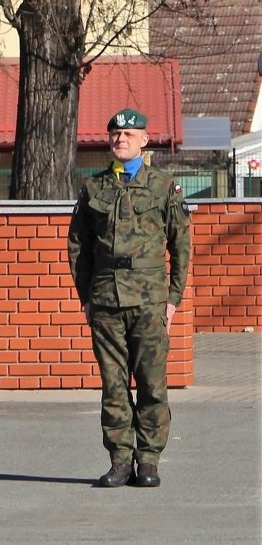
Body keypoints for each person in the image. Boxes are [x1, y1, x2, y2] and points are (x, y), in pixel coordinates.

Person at [67, 108, 191, 488]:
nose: (120, 139)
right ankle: (120, 460)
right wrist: (86, 296)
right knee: (113, 384)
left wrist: (172, 297)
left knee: (152, 383)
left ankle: (149, 460)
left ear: (144, 140)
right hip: (106, 302)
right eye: (115, 134)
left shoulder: (163, 187)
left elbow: (181, 243)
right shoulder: (94, 189)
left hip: (149, 302)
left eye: (128, 134)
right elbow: (78, 246)